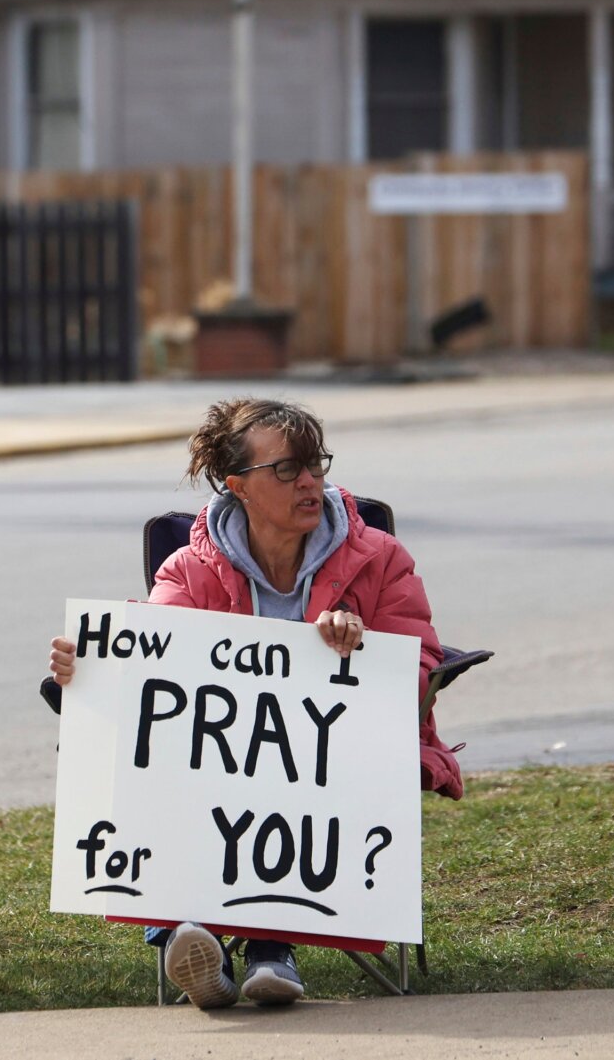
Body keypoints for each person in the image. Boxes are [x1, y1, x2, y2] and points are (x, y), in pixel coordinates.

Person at [46, 397, 461, 1010]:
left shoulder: (379, 558)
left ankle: (256, 947)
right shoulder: (189, 569)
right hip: (222, 776)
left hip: (339, 759)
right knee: (187, 762)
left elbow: (420, 659)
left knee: (274, 773)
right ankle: (201, 943)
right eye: (287, 469)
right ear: (238, 486)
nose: (310, 481)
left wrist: (360, 650)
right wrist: (88, 668)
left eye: (315, 464)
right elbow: (159, 663)